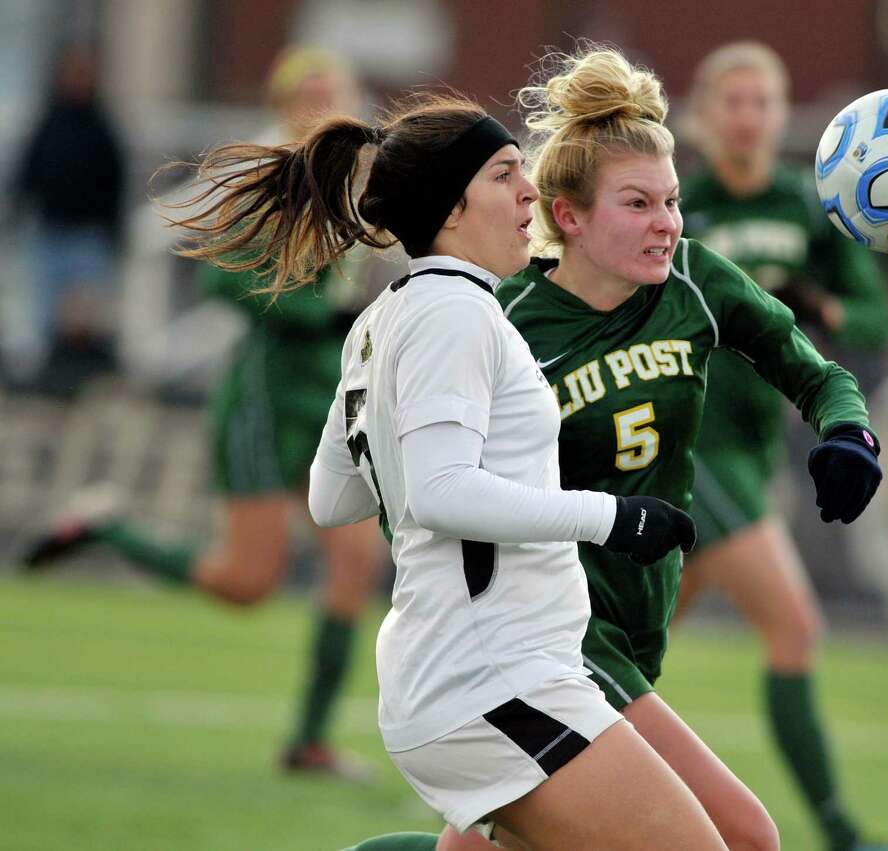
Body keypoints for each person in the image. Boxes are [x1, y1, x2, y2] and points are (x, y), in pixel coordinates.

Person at [154, 87, 718, 849]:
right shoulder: (453, 313)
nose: (530, 191)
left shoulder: (386, 316)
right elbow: (440, 491)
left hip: (473, 673)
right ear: (451, 209)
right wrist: (613, 516)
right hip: (491, 679)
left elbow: (331, 495)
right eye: (504, 173)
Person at [433, 45, 883, 851]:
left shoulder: (693, 284)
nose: (667, 223)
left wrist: (849, 431)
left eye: (671, 201)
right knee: (745, 837)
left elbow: (812, 371)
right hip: (547, 631)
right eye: (638, 204)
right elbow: (441, 483)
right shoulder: (508, 323)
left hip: (635, 619)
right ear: (567, 216)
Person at [19, 46, 386, 778]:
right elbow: (225, 285)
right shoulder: (265, 177)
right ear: (283, 105)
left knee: (358, 556)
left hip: (325, 390)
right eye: (308, 94)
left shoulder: (348, 184)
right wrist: (320, 312)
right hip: (264, 395)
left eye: (333, 93)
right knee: (247, 582)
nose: (322, 106)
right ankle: (106, 525)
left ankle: (308, 741)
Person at [671, 43, 888, 851]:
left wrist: (818, 307)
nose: (748, 117)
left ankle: (527, 809)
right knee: (794, 626)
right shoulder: (679, 204)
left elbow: (875, 317)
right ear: (705, 116)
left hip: (754, 451)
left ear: (781, 117)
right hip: (691, 447)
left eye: (763, 102)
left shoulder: (807, 207)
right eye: (733, 102)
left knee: (624, 653)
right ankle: (844, 836)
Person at [8, 42, 126, 388]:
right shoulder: (49, 123)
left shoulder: (102, 129)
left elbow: (114, 184)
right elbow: (28, 173)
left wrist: (113, 233)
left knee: (82, 318)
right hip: (50, 232)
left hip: (87, 235)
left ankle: (78, 382)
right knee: (47, 315)